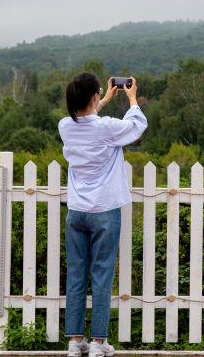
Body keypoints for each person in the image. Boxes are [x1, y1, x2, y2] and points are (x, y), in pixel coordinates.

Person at [59, 73, 146, 357]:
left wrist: (104, 99)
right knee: (102, 274)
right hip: (105, 211)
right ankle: (98, 342)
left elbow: (86, 118)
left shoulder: (65, 127)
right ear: (93, 97)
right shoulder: (107, 128)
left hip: (77, 212)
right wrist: (132, 99)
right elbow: (136, 127)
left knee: (76, 275)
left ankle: (75, 342)